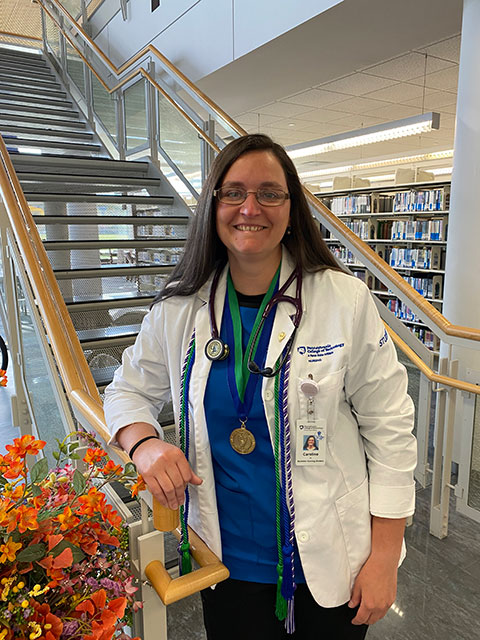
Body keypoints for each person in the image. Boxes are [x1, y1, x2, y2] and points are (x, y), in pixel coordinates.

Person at [104, 134, 416, 640]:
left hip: (334, 558)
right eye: (234, 193)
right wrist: (144, 445)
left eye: (269, 193)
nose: (250, 208)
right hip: (225, 562)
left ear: (292, 209)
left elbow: (390, 429)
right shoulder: (178, 308)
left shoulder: (344, 300)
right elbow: (126, 392)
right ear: (213, 206)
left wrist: (384, 557)